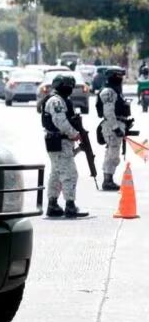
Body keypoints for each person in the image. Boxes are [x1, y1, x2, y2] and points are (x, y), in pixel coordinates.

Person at [41, 74, 88, 218]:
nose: (70, 89)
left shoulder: (60, 100)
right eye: (68, 86)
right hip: (59, 140)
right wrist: (75, 134)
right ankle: (70, 206)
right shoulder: (56, 101)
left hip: (59, 141)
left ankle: (53, 205)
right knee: (70, 173)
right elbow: (60, 121)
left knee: (56, 173)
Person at [97, 67, 130, 191]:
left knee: (111, 153)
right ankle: (107, 181)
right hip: (112, 126)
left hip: (115, 124)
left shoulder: (114, 91)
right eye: (119, 76)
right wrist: (116, 128)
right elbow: (109, 112)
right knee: (113, 155)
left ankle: (108, 179)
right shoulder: (109, 92)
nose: (121, 79)